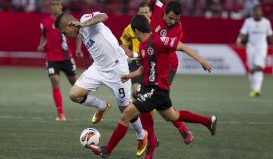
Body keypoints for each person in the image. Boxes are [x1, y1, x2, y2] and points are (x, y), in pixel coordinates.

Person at [90, 14, 217, 159]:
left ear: (137, 30)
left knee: (125, 115)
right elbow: (145, 68)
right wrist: (129, 76)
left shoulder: (158, 40)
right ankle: (208, 121)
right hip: (153, 89)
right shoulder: (144, 46)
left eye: (134, 33)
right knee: (173, 116)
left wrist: (202, 61)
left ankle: (107, 150)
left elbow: (180, 46)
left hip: (155, 89)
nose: (134, 37)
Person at [54, 12, 148, 157]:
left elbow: (104, 16)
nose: (65, 35)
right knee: (74, 95)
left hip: (117, 69)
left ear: (70, 24)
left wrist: (83, 24)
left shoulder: (85, 19)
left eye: (64, 32)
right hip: (98, 68)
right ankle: (102, 105)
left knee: (126, 109)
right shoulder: (80, 33)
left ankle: (142, 136)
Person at [139, 0, 194, 156]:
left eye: (176, 20)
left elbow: (168, 49)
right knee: (151, 103)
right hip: (149, 63)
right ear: (164, 12)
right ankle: (171, 132)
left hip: (167, 66)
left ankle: (153, 141)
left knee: (154, 102)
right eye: (170, 19)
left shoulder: (178, 29)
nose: (172, 22)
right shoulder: (158, 7)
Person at [37, 0, 83, 122]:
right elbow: (44, 36)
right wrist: (41, 45)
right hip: (51, 58)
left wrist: (78, 49)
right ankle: (61, 114)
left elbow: (78, 34)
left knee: (76, 84)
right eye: (53, 4)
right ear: (50, 7)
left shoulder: (66, 20)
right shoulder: (44, 22)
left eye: (58, 4)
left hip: (66, 57)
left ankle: (94, 104)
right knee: (55, 80)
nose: (55, 7)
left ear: (62, 7)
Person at [236, 5, 273, 97]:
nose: (257, 13)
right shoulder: (248, 22)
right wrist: (239, 40)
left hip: (261, 47)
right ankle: (253, 88)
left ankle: (257, 89)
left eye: (259, 11)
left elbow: (270, 35)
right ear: (253, 12)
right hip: (251, 47)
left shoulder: (266, 22)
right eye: (256, 11)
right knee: (252, 68)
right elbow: (243, 33)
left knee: (259, 66)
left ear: (262, 12)